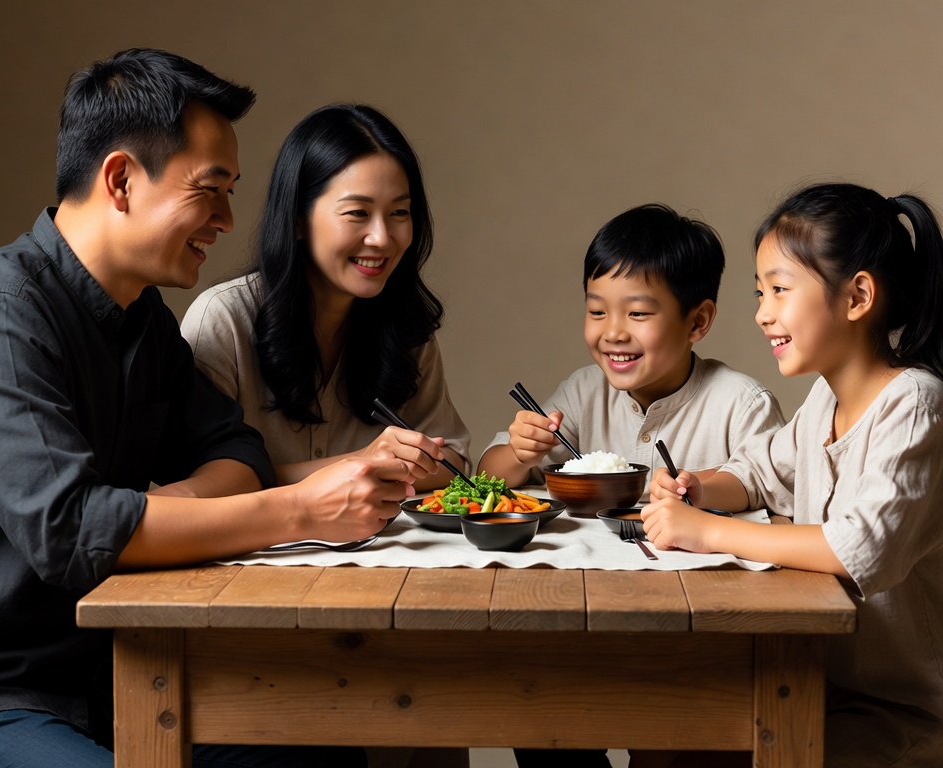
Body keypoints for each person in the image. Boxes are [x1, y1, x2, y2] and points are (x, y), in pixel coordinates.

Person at [0, 48, 416, 768]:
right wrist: (303, 510)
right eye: (209, 190)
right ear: (120, 180)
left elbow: (236, 450)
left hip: (127, 668)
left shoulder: (144, 319)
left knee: (321, 748)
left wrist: (155, 514)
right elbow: (69, 529)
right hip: (7, 694)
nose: (226, 219)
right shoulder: (2, 315)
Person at [643, 182, 943, 767]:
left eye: (779, 289)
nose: (762, 313)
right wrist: (700, 487)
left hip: (903, 713)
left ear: (857, 297)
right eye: (760, 292)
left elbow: (861, 546)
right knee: (675, 742)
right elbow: (759, 468)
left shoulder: (915, 403)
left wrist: (706, 531)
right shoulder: (822, 403)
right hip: (816, 685)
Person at [478, 204, 785, 768]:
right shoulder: (581, 392)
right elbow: (488, 478)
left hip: (699, 639)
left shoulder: (741, 403)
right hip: (584, 625)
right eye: (596, 311)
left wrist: (701, 488)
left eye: (638, 314)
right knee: (538, 710)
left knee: (673, 742)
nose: (612, 332)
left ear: (697, 322)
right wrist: (519, 454)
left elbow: (765, 487)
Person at [181, 103, 470, 491]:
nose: (382, 238)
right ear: (298, 219)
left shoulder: (406, 326)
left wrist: (385, 463)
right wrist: (361, 463)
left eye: (399, 212)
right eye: (357, 213)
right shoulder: (224, 321)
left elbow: (453, 460)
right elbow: (198, 483)